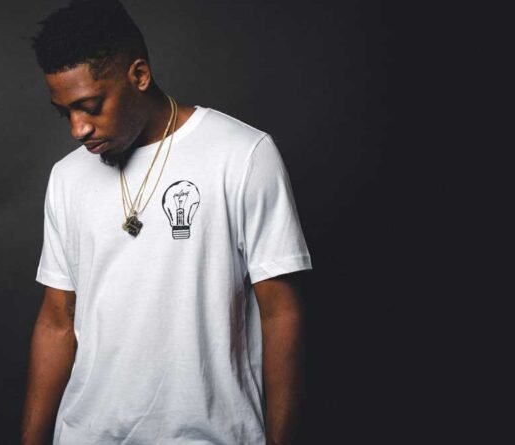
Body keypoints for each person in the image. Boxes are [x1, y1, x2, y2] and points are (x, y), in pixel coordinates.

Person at [21, 1, 313, 444]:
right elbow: (57, 322)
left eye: (90, 106)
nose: (78, 129)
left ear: (139, 75)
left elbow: (281, 313)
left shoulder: (242, 155)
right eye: (66, 113)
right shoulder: (67, 177)